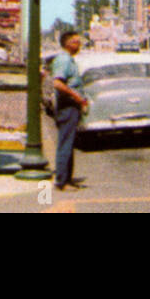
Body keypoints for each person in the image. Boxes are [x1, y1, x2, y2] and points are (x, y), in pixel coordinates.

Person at [50, 31, 89, 191]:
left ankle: (67, 178)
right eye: (75, 42)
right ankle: (62, 181)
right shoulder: (64, 60)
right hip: (68, 106)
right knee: (65, 143)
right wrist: (77, 97)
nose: (78, 45)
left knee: (69, 142)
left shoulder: (69, 60)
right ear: (67, 44)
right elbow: (58, 83)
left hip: (72, 106)